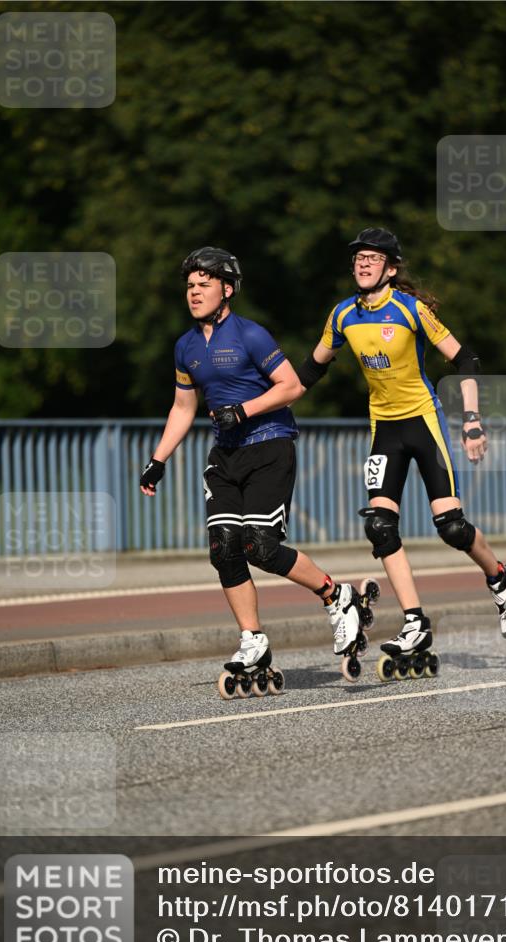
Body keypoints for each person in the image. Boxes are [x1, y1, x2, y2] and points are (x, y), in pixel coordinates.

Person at [140, 246, 365, 695]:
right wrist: (158, 459)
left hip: (269, 447)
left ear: (227, 289)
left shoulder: (251, 335)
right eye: (190, 286)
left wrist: (242, 411)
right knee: (224, 547)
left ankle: (336, 595)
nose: (195, 292)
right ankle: (253, 639)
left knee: (259, 546)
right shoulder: (185, 347)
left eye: (204, 284)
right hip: (225, 456)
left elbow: (292, 386)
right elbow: (183, 407)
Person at [297, 227, 506, 660]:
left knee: (452, 528)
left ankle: (502, 581)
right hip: (384, 429)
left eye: (373, 257)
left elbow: (465, 359)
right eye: (358, 258)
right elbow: (309, 372)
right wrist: (261, 404)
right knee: (379, 527)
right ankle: (415, 623)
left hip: (424, 422)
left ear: (391, 267)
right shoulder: (343, 314)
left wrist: (473, 421)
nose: (363, 263)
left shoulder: (410, 309)